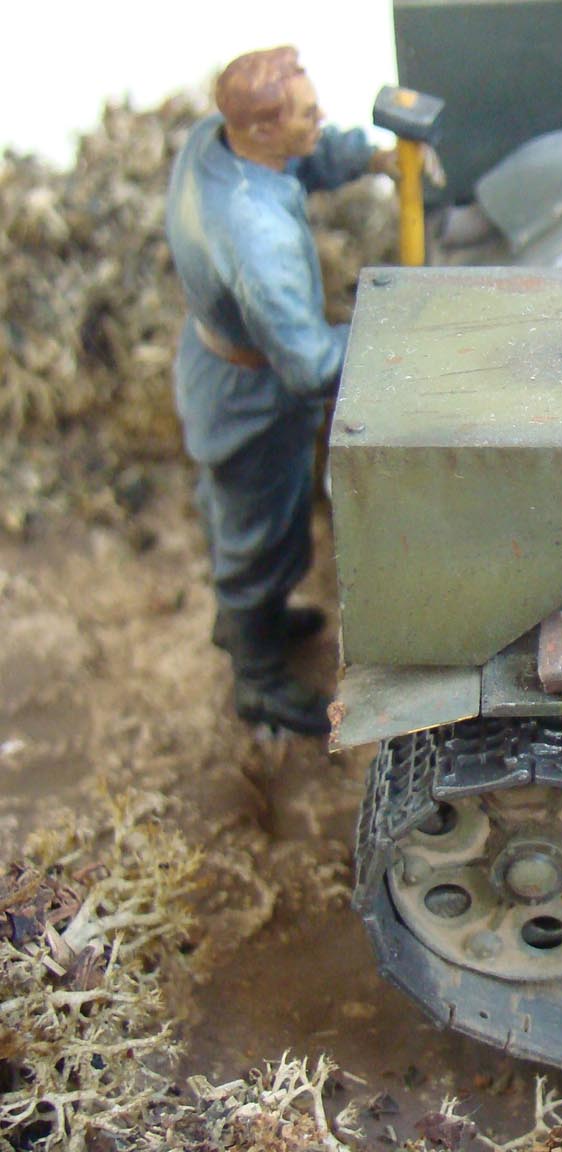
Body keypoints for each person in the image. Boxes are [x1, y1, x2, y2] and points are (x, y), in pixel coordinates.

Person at [166, 47, 399, 734]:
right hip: (252, 397)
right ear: (262, 129)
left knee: (240, 518)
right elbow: (310, 365)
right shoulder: (257, 235)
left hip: (217, 359)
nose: (319, 119)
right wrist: (387, 333)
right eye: (306, 114)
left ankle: (250, 620)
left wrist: (372, 157)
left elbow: (305, 159)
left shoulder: (216, 141)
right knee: (260, 537)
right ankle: (258, 677)